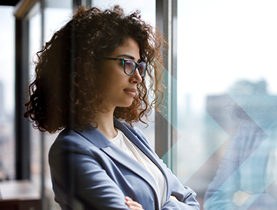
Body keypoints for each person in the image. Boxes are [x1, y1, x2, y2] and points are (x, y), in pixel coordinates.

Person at [24, 5, 199, 210]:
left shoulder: (131, 136)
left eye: (139, 65)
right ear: (88, 65)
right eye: (127, 63)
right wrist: (169, 203)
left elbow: (191, 201)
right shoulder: (71, 151)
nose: (138, 77)